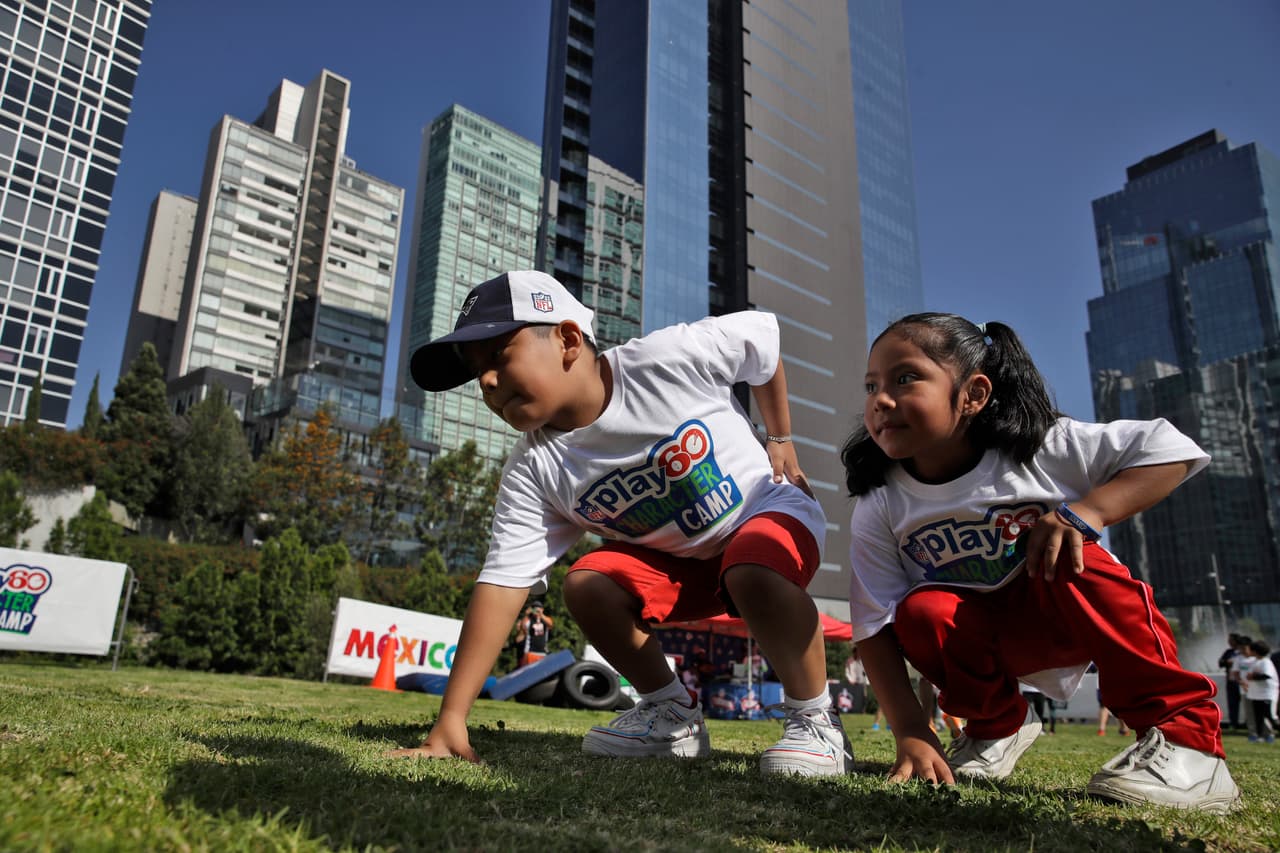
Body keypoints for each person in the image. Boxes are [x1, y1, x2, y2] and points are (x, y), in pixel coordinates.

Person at [387, 270, 849, 776]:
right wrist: (452, 718)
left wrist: (780, 437)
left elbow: (759, 337)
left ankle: (817, 721)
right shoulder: (533, 469)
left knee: (750, 567)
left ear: (566, 339)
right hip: (687, 567)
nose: (488, 382)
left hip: (770, 517)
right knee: (587, 583)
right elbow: (502, 584)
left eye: (497, 356)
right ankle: (672, 713)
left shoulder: (663, 360)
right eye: (478, 374)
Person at [842, 312, 1239, 812]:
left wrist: (1084, 513)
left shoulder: (1041, 446)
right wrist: (911, 730)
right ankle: (997, 725)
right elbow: (874, 625)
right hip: (991, 641)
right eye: (871, 384)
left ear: (974, 395)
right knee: (923, 611)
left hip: (1073, 615)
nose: (880, 399)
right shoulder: (880, 500)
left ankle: (1190, 743)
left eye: (905, 378)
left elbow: (1172, 449)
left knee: (1070, 554)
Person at [1244, 639, 1276, 744]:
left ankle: (1270, 734)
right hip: (1256, 694)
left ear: (1256, 651)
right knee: (1258, 716)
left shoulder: (1266, 662)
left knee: (1268, 715)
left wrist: (1253, 676)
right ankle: (1260, 735)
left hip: (1266, 693)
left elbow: (1266, 675)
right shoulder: (1255, 661)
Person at [514, 600, 555, 667]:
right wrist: (527, 615)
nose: (536, 610)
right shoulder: (529, 620)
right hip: (530, 652)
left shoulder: (545, 620)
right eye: (534, 608)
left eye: (538, 608)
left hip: (543, 652)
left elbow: (551, 624)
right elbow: (523, 627)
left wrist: (541, 614)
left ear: (542, 609)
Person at [1217, 633, 1243, 730]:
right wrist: (1226, 662)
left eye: (1231, 640)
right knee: (1232, 703)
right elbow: (1220, 662)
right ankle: (1233, 722)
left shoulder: (1243, 652)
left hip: (1241, 681)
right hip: (1231, 680)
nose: (1229, 642)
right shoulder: (1228, 652)